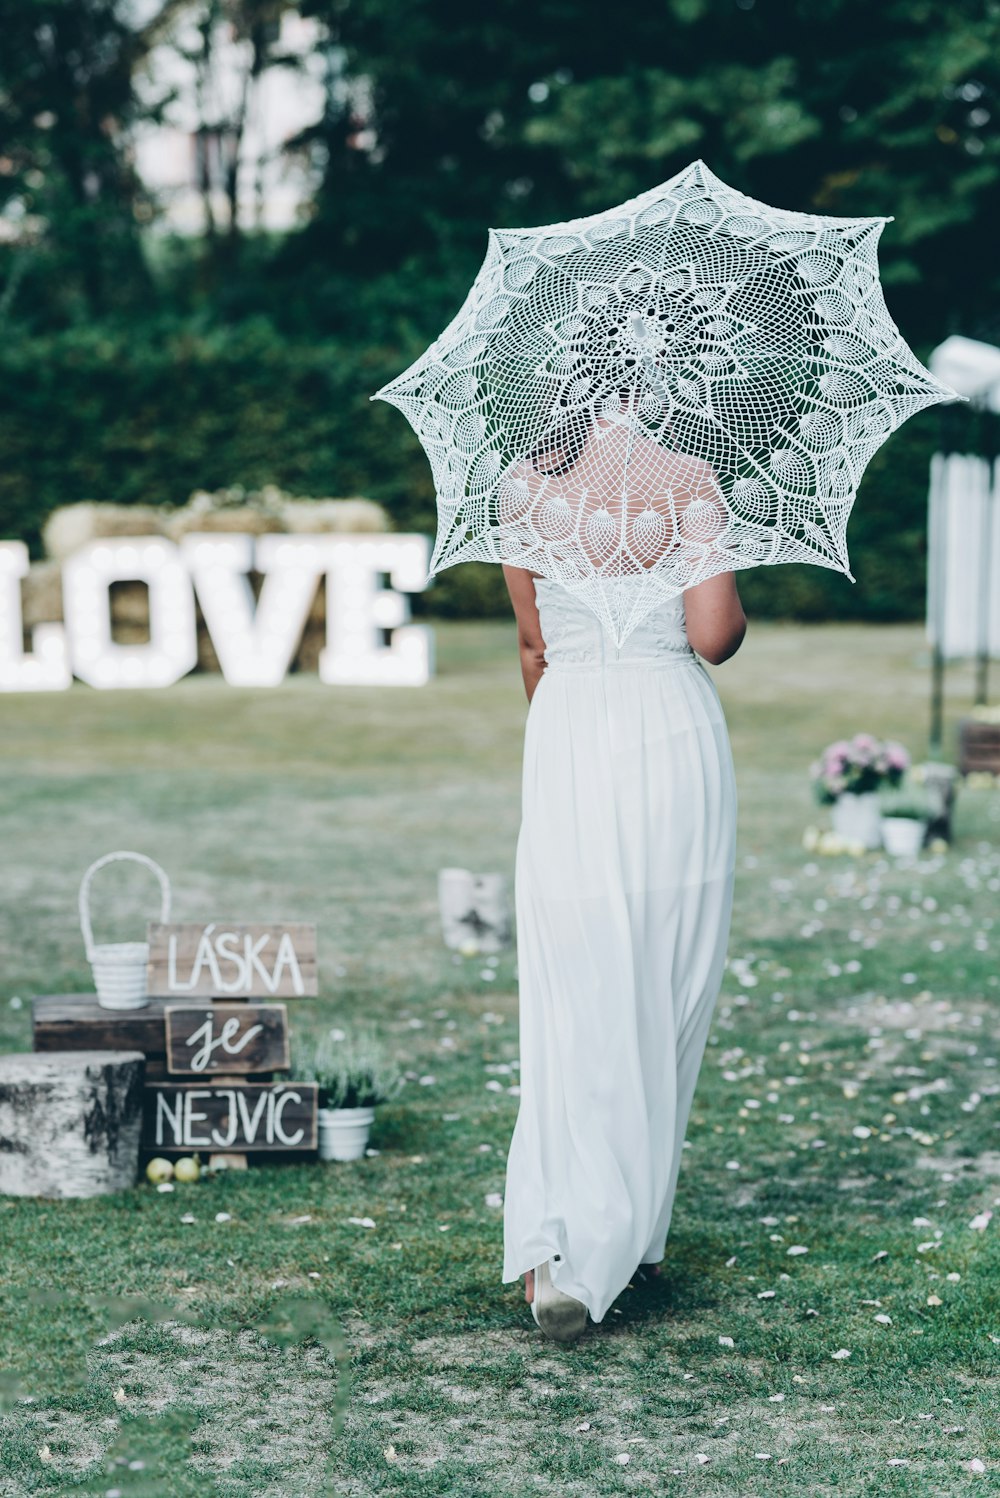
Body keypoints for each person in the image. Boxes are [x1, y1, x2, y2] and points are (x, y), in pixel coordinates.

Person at [499, 397, 746, 1342]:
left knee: (574, 981)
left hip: (565, 735)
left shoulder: (521, 488)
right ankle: (629, 1229)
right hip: (667, 733)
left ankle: (561, 1244)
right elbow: (714, 635)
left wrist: (569, 735)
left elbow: (534, 646)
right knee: (666, 976)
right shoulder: (686, 479)